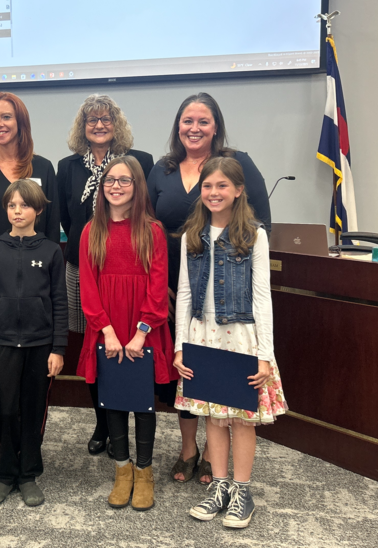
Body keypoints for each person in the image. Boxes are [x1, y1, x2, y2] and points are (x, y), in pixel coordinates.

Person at [146, 92, 271, 485]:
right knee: (184, 374)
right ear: (177, 126)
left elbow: (260, 223)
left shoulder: (238, 164)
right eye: (187, 121)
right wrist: (156, 285)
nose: (194, 128)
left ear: (215, 125)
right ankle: (190, 451)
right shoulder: (162, 168)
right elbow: (145, 225)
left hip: (231, 299)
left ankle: (230, 474)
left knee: (227, 388)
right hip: (172, 284)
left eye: (203, 121)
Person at [173, 157, 287, 528]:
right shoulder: (192, 235)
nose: (214, 192)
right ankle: (219, 485)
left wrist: (264, 355)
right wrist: (180, 346)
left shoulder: (254, 234)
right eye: (208, 186)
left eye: (222, 186)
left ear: (238, 190)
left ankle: (242, 491)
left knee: (240, 421)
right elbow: (185, 294)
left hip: (240, 338)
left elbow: (263, 297)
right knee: (213, 420)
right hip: (202, 337)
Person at [57, 94, 154, 457]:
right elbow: (68, 219)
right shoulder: (67, 167)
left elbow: (145, 210)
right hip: (82, 268)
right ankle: (103, 421)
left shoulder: (139, 161)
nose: (99, 125)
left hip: (127, 271)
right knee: (95, 346)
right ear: (82, 128)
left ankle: (132, 418)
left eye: (106, 119)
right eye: (91, 120)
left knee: (130, 340)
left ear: (117, 124)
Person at [77, 156, 176, 511]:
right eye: (109, 181)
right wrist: (106, 331)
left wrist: (141, 332)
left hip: (142, 330)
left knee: (142, 401)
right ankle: (123, 471)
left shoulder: (152, 231)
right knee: (113, 398)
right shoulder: (92, 230)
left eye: (124, 180)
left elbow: (158, 284)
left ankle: (145, 472)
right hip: (106, 329)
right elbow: (88, 287)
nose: (115, 186)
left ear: (137, 186)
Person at [0, 180, 67, 507]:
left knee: (32, 411)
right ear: (6, 209)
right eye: (12, 205)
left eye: (25, 205)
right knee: (6, 409)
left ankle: (28, 473)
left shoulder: (50, 250)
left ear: (38, 210)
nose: (18, 211)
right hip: (2, 345)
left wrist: (58, 348)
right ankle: (5, 474)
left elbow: (59, 300)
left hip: (40, 346)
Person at [0, 92, 59, 269]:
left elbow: (52, 224)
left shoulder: (44, 168)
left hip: (36, 270)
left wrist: (42, 264)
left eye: (6, 117)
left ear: (20, 122)